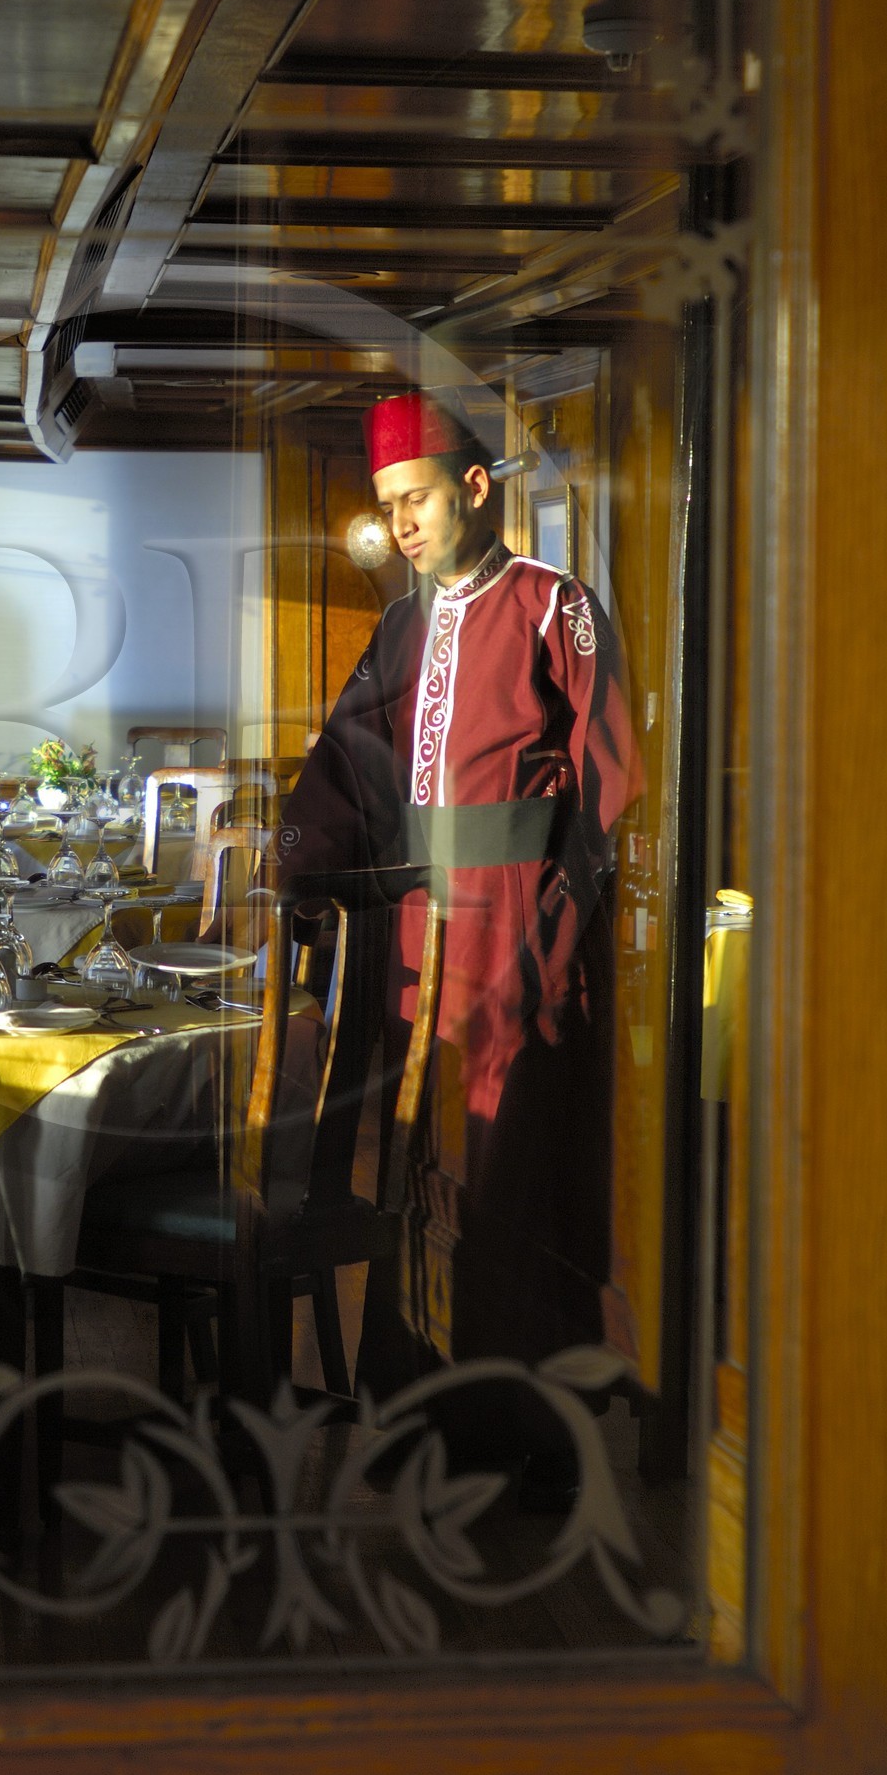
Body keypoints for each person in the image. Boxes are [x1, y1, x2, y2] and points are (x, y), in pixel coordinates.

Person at [275, 392, 640, 1394]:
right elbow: (343, 767)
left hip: (521, 923)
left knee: (511, 1162)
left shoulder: (552, 603)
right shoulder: (399, 626)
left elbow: (606, 775)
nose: (399, 524)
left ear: (474, 489)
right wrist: (293, 866)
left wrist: (563, 923)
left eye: (417, 499)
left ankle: (525, 1422)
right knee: (410, 1163)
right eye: (387, 504)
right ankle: (421, 1406)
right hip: (411, 930)